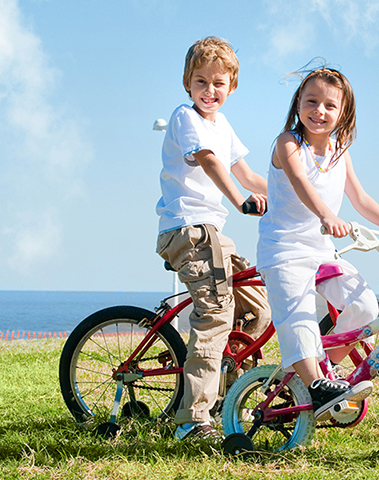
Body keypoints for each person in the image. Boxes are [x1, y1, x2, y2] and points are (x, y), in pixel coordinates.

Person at [256, 65, 379, 421]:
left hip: (321, 251)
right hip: (284, 249)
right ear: (298, 103)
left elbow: (360, 198)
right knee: (296, 314)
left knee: (364, 306)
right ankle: (314, 385)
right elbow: (300, 181)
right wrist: (327, 215)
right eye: (311, 101)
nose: (319, 111)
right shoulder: (287, 143)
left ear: (343, 113)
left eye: (330, 106)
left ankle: (323, 368)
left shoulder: (340, 151)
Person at [155, 36, 270, 441]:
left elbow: (250, 175)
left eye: (218, 83)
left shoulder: (223, 125)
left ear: (231, 87)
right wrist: (240, 201)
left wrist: (294, 198)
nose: (209, 91)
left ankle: (228, 397)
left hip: (213, 233)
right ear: (188, 83)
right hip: (186, 229)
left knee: (257, 308)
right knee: (216, 312)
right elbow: (207, 160)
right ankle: (191, 418)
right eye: (201, 82)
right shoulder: (186, 117)